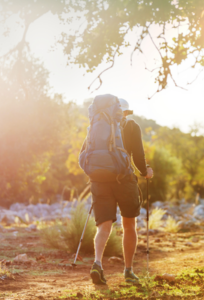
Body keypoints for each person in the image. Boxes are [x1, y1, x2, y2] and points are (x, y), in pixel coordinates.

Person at [80, 98, 153, 285]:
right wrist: (146, 172)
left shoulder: (95, 126)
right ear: (124, 112)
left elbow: (84, 154)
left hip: (99, 181)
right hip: (125, 180)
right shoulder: (131, 126)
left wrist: (96, 175)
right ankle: (128, 271)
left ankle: (97, 263)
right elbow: (138, 156)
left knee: (103, 226)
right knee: (129, 226)